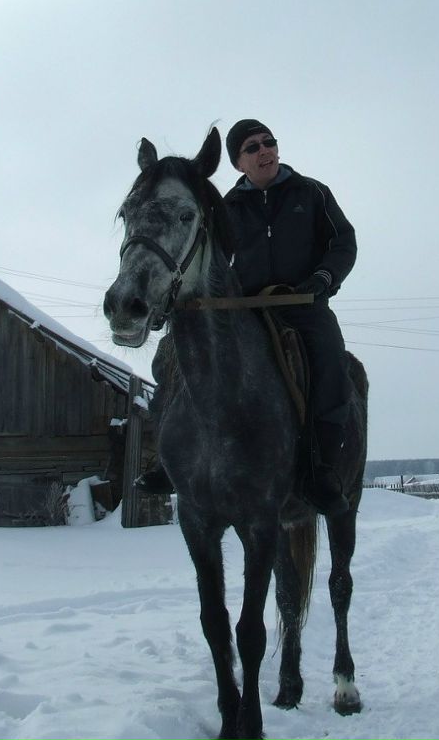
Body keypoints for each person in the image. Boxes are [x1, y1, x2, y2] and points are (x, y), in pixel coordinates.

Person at [137, 119, 357, 517]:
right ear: (239, 163)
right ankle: (170, 460)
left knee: (330, 364)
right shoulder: (228, 206)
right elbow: (204, 259)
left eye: (268, 142)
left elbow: (343, 241)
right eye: (252, 147)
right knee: (170, 356)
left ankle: (319, 469)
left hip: (303, 304)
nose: (264, 150)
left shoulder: (311, 193)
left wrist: (324, 278)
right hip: (243, 307)